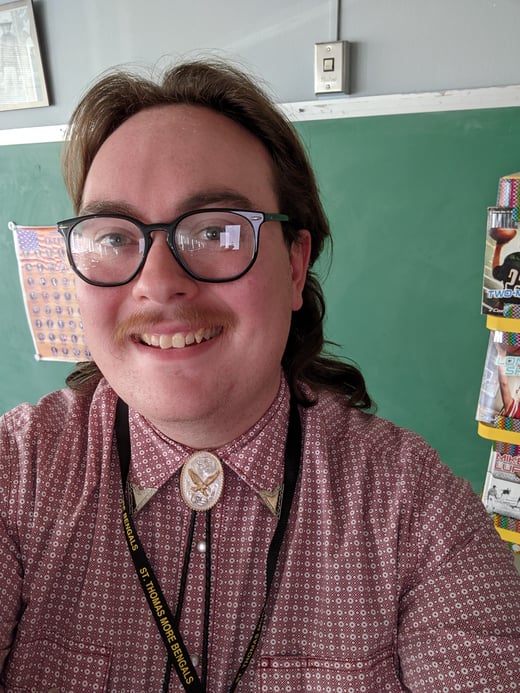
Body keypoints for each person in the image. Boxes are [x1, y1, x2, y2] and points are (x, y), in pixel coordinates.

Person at [1, 59, 519, 693]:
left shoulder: (418, 513)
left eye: (215, 229)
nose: (159, 283)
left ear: (295, 266)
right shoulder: (16, 475)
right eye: (113, 239)